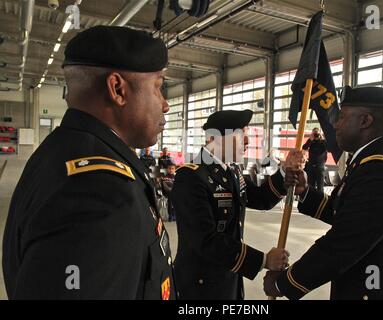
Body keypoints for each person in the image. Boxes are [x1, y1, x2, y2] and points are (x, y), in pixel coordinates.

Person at [2, 26, 176, 300]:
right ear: (118, 89)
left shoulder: (60, 151)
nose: (165, 104)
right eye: (158, 87)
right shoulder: (98, 193)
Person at [263, 86, 383, 300]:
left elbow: (341, 245)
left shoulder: (381, 173)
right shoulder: (371, 161)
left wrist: (284, 283)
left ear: (365, 121)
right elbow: (348, 215)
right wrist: (305, 192)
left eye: (341, 117)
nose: (335, 124)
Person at [171, 109, 300, 300]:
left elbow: (259, 198)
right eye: (242, 135)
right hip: (201, 285)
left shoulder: (231, 170)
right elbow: (205, 240)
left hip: (229, 274)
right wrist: (264, 260)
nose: (248, 141)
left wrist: (283, 173)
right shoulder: (190, 176)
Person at [302, 127, 327, 192]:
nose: (316, 135)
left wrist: (322, 138)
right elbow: (304, 148)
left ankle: (319, 201)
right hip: (311, 167)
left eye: (317, 133)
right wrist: (310, 139)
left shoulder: (322, 142)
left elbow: (329, 148)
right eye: (314, 133)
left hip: (320, 167)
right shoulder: (311, 141)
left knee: (320, 188)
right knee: (310, 187)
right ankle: (311, 201)